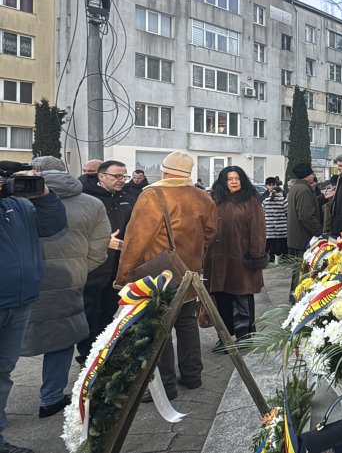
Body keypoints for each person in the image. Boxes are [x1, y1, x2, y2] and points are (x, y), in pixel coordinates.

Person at [117, 152, 217, 402]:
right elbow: (210, 233)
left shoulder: (152, 195)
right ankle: (193, 376)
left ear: (163, 170)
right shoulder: (202, 196)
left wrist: (124, 276)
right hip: (189, 271)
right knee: (186, 323)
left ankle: (166, 386)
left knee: (158, 327)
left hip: (158, 273)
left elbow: (136, 241)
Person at [22, 157, 110, 418]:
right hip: (69, 280)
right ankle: (51, 397)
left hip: (20, 282)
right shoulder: (92, 203)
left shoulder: (15, 200)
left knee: (8, 343)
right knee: (62, 339)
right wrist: (79, 269)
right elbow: (100, 246)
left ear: (35, 172)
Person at [0, 169, 67, 453]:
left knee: (3, 372)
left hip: (19, 301)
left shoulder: (19, 205)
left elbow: (53, 225)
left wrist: (44, 195)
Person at [77, 160, 138, 363]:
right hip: (94, 266)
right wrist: (104, 241)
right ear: (101, 176)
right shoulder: (85, 198)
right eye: (116, 176)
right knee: (89, 312)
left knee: (110, 310)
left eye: (124, 176)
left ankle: (104, 351)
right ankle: (87, 356)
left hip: (119, 266)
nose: (121, 180)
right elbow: (74, 231)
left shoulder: (129, 197)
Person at [203, 166, 266, 351]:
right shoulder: (214, 199)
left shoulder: (250, 199)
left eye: (237, 178)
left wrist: (256, 255)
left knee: (242, 297)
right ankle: (225, 337)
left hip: (240, 258)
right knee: (220, 297)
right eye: (230, 179)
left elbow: (258, 229)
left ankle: (244, 336)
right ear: (223, 181)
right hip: (217, 258)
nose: (234, 182)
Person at [286, 163, 322, 303]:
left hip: (296, 237)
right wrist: (319, 231)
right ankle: (299, 300)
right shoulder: (304, 190)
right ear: (308, 176)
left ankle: (294, 298)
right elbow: (306, 216)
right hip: (303, 238)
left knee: (297, 270)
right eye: (312, 174)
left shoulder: (296, 188)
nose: (313, 176)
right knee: (303, 271)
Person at [260, 177, 288, 264]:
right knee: (279, 244)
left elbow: (262, 212)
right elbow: (287, 212)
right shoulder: (283, 200)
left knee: (269, 244)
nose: (271, 186)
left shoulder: (265, 200)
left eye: (273, 184)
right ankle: (277, 260)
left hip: (269, 227)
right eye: (269, 184)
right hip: (281, 227)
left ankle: (266, 259)